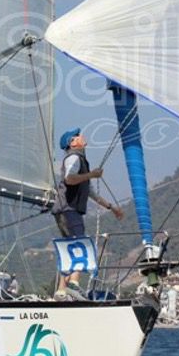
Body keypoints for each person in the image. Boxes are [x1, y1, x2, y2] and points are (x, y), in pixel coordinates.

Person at [52, 127, 124, 299]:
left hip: (65, 210)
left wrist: (111, 208)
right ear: (72, 143)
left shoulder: (80, 161)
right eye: (77, 135)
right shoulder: (74, 158)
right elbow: (69, 179)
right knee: (80, 245)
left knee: (70, 248)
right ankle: (73, 284)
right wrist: (91, 174)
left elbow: (90, 191)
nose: (81, 136)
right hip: (69, 209)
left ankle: (61, 291)